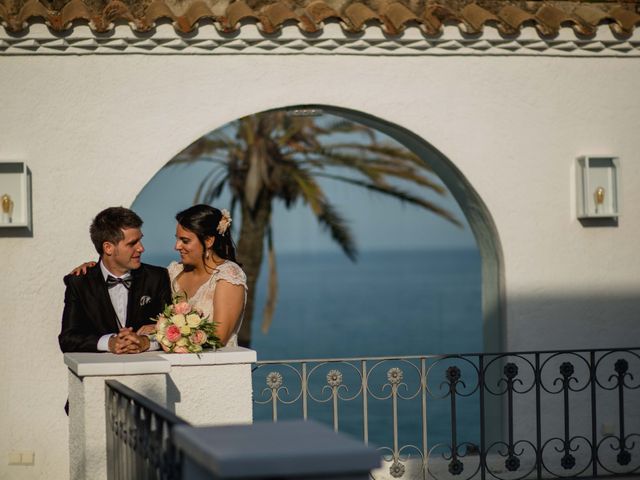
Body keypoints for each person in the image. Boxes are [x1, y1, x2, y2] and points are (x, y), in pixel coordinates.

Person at [70, 204, 247, 347]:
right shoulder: (173, 272)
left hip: (215, 373)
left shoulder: (228, 276)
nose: (177, 246)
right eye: (177, 239)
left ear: (208, 241)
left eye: (185, 240)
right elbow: (123, 267)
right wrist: (95, 269)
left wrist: (161, 330)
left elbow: (219, 338)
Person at [59, 207, 172, 353]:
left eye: (140, 240)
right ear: (108, 248)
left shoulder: (157, 277)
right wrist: (109, 343)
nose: (141, 248)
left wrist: (146, 342)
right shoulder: (80, 283)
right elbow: (68, 339)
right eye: (132, 243)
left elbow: (171, 330)